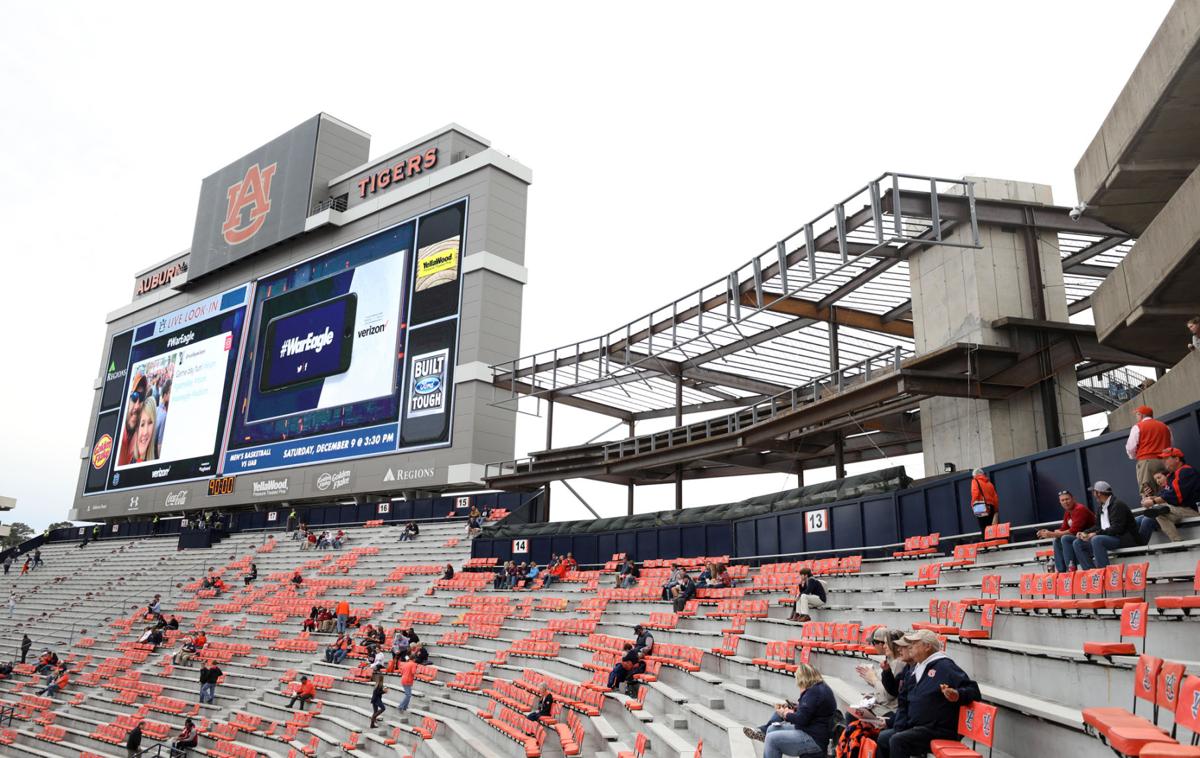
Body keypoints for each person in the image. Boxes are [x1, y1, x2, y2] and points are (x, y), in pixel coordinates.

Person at [874, 630, 980, 758]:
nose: (910, 646)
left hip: (939, 729)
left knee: (897, 741)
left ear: (927, 646)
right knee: (884, 737)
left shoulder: (945, 666)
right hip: (918, 726)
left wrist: (957, 694)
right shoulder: (916, 668)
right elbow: (903, 701)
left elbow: (973, 691)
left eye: (914, 643)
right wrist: (898, 726)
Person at [743, 663, 837, 758]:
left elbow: (802, 719)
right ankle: (764, 736)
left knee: (772, 739)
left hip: (814, 739)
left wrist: (785, 714)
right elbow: (809, 712)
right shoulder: (819, 688)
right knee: (772, 729)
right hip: (811, 731)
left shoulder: (814, 692)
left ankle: (766, 740)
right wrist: (795, 708)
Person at [1073, 481, 1143, 570]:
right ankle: (1091, 573)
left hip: (1123, 538)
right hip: (1110, 537)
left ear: (1099, 493)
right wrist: (1085, 532)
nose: (1094, 495)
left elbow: (1117, 529)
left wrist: (1096, 534)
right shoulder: (1100, 507)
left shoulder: (1118, 505)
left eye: (1094, 492)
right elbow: (1098, 526)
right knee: (1078, 543)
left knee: (1097, 539)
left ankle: (1103, 572)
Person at [1140, 447, 1199, 543]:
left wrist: (1153, 501)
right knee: (1157, 513)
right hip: (1177, 511)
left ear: (1176, 459)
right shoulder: (1172, 475)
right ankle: (1177, 542)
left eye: (1166, 458)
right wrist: (1150, 498)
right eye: (1163, 459)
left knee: (1158, 509)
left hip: (1191, 510)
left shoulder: (1186, 471)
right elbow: (1164, 494)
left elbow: (1175, 495)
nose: (1164, 462)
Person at [1037, 489, 1097, 572]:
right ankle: (1061, 572)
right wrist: (1048, 532)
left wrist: (1052, 534)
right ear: (1060, 502)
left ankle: (1071, 570)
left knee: (1065, 538)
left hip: (1091, 538)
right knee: (1057, 540)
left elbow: (1073, 531)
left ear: (1073, 499)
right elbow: (1063, 529)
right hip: (1080, 539)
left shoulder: (1079, 509)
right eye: (1063, 500)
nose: (1065, 502)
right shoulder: (1068, 512)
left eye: (1067, 499)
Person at [1126, 406, 1172, 494]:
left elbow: (1130, 447)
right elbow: (1170, 443)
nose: (1136, 416)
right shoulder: (1165, 426)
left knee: (1147, 492)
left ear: (1141, 415)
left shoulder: (1138, 427)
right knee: (1168, 490)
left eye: (1137, 414)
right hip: (1165, 461)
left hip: (1147, 462)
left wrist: (1134, 456)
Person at [606, 625, 654, 690]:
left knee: (618, 668)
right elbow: (637, 646)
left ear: (640, 630)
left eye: (637, 632)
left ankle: (611, 685)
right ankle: (614, 685)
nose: (637, 634)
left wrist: (640, 651)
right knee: (618, 669)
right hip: (634, 655)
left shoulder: (648, 636)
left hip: (640, 654)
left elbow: (648, 647)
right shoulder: (639, 636)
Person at [118, 373, 150, 466]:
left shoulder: (142, 437)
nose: (137, 406)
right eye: (134, 397)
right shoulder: (114, 432)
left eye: (141, 398)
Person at [970, 468, 999, 534]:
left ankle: (987, 543)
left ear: (975, 475)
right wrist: (996, 510)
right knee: (991, 529)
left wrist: (972, 505)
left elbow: (975, 494)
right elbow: (995, 498)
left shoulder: (975, 481)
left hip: (981, 506)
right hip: (991, 507)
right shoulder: (989, 483)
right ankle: (993, 543)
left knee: (984, 529)